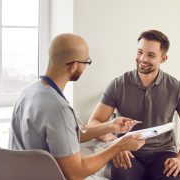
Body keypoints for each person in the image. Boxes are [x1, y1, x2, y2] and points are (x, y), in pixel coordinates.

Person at [8, 33, 145, 180]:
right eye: (87, 62)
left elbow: (65, 137)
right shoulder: (58, 109)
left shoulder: (29, 91)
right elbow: (75, 172)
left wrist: (110, 126)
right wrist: (119, 146)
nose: (86, 66)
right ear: (74, 66)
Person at [88, 30, 180, 180]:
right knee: (124, 175)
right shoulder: (118, 84)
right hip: (126, 150)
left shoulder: (176, 88)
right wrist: (116, 143)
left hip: (163, 153)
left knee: (175, 177)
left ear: (163, 58)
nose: (142, 58)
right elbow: (94, 123)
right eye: (140, 52)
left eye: (151, 55)